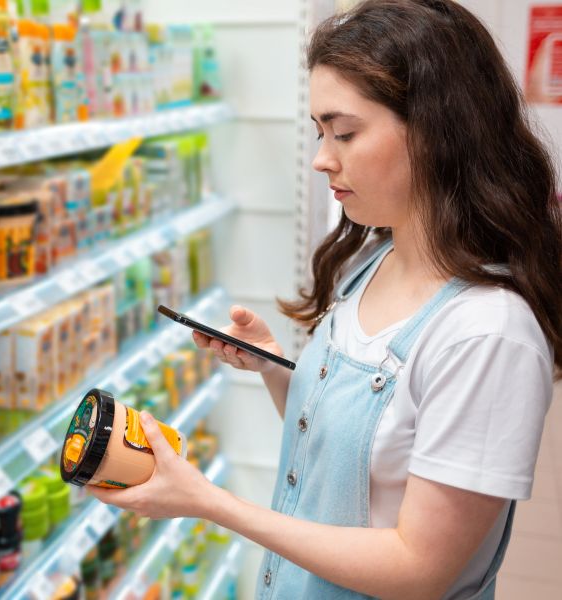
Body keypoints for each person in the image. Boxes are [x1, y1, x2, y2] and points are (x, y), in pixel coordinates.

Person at [87, 1, 562, 598]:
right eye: (319, 132)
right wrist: (275, 368)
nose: (321, 157)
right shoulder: (372, 260)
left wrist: (209, 503)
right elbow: (360, 463)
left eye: (345, 132)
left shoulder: (489, 334)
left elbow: (420, 568)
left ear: (439, 128)